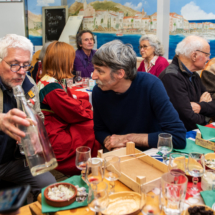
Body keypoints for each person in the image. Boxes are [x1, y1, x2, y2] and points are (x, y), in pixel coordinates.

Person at [92, 40, 186, 151]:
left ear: (120, 73)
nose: (93, 76)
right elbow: (99, 130)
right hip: (117, 156)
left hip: (150, 154)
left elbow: (178, 137)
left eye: (100, 71)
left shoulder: (151, 85)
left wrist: (128, 139)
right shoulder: (98, 91)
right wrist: (112, 143)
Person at [0, 34, 56, 201]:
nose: (22, 72)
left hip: (14, 161)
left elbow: (39, 116)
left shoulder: (29, 84)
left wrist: (32, 131)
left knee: (50, 186)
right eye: (14, 64)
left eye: (26, 65)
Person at [37, 41, 100, 175]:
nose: (73, 63)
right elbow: (74, 112)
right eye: (71, 60)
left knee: (91, 124)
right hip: (55, 133)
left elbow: (73, 104)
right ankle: (90, 166)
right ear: (62, 62)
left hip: (60, 123)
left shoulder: (53, 81)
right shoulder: (51, 87)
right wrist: (88, 108)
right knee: (94, 126)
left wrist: (83, 106)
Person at [159, 35, 215, 131]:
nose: (208, 59)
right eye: (206, 55)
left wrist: (200, 106)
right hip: (176, 137)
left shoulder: (193, 75)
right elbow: (189, 120)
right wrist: (205, 111)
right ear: (194, 56)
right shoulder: (171, 77)